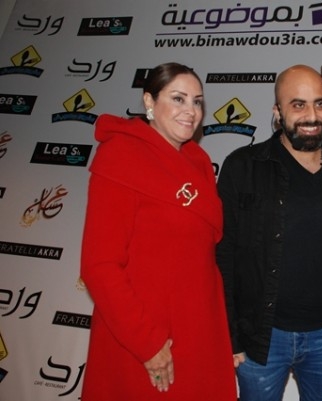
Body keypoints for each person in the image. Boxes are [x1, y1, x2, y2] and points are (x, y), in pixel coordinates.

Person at [79, 62, 237, 401]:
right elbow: (100, 266)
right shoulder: (120, 155)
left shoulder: (199, 162)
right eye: (178, 98)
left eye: (197, 101)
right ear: (149, 101)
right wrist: (147, 343)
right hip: (146, 335)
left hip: (199, 333)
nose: (191, 111)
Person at [216, 64, 322, 401]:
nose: (311, 116)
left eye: (320, 103)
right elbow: (223, 257)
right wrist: (230, 335)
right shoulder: (242, 167)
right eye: (298, 105)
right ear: (277, 112)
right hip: (260, 336)